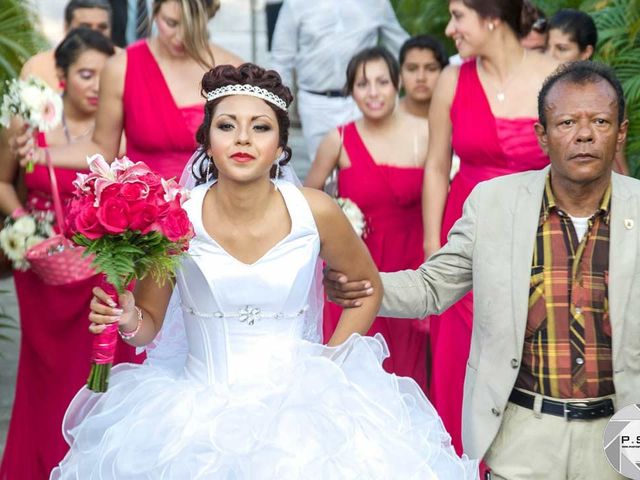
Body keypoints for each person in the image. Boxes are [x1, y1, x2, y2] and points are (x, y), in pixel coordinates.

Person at [50, 63, 477, 479]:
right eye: (226, 126)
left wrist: (331, 363)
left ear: (280, 144)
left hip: (303, 413)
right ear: (207, 140)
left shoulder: (316, 211)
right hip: (195, 416)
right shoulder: (176, 216)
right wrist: (127, 318)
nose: (243, 139)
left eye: (260, 127)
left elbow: (367, 290)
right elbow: (150, 325)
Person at [325, 60, 637, 480]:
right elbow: (431, 287)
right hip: (522, 433)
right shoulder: (494, 204)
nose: (583, 134)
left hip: (620, 435)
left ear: (620, 132)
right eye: (566, 122)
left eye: (600, 121)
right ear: (542, 136)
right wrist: (363, 285)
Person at [421, 0, 558, 456]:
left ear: (491, 16)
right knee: (462, 363)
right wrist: (432, 246)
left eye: (458, 15)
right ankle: (462, 462)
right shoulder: (450, 80)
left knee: (533, 360)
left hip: (539, 242)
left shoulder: (555, 75)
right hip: (467, 241)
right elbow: (437, 167)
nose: (450, 27)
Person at [0, 28, 138, 479]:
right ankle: (38, 464)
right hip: (43, 267)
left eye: (105, 76)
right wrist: (24, 222)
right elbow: (2, 181)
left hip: (104, 265)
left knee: (102, 368)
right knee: (47, 375)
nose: (97, 86)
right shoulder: (29, 120)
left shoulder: (121, 126)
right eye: (85, 75)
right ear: (60, 77)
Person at [305, 47, 429, 391]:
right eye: (362, 84)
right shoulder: (338, 140)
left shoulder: (428, 133)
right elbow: (306, 204)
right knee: (354, 376)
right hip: (356, 272)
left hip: (411, 264)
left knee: (408, 371)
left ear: (397, 84)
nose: (373, 92)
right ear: (350, 90)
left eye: (381, 82)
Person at [13, 0, 243, 180]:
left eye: (193, 27)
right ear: (155, 9)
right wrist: (42, 154)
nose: (180, 37)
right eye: (171, 23)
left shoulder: (232, 70)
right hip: (144, 214)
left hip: (210, 210)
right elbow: (102, 147)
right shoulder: (121, 67)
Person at [269, 0, 408, 163]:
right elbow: (281, 57)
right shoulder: (295, 4)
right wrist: (277, 109)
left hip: (362, 101)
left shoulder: (377, 3)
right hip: (315, 103)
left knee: (364, 166)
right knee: (323, 170)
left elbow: (401, 46)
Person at [546, 9, 629, 176]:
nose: (550, 56)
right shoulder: (530, 91)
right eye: (546, 48)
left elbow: (617, 159)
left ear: (586, 52)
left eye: (562, 49)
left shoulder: (606, 95)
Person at [20, 0, 113, 91]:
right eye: (85, 27)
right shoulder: (37, 66)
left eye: (102, 27)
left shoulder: (124, 63)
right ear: (66, 27)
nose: (94, 33)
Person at [398, 34, 449, 119]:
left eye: (431, 69)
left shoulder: (461, 118)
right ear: (400, 75)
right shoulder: (384, 117)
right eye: (412, 69)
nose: (421, 78)